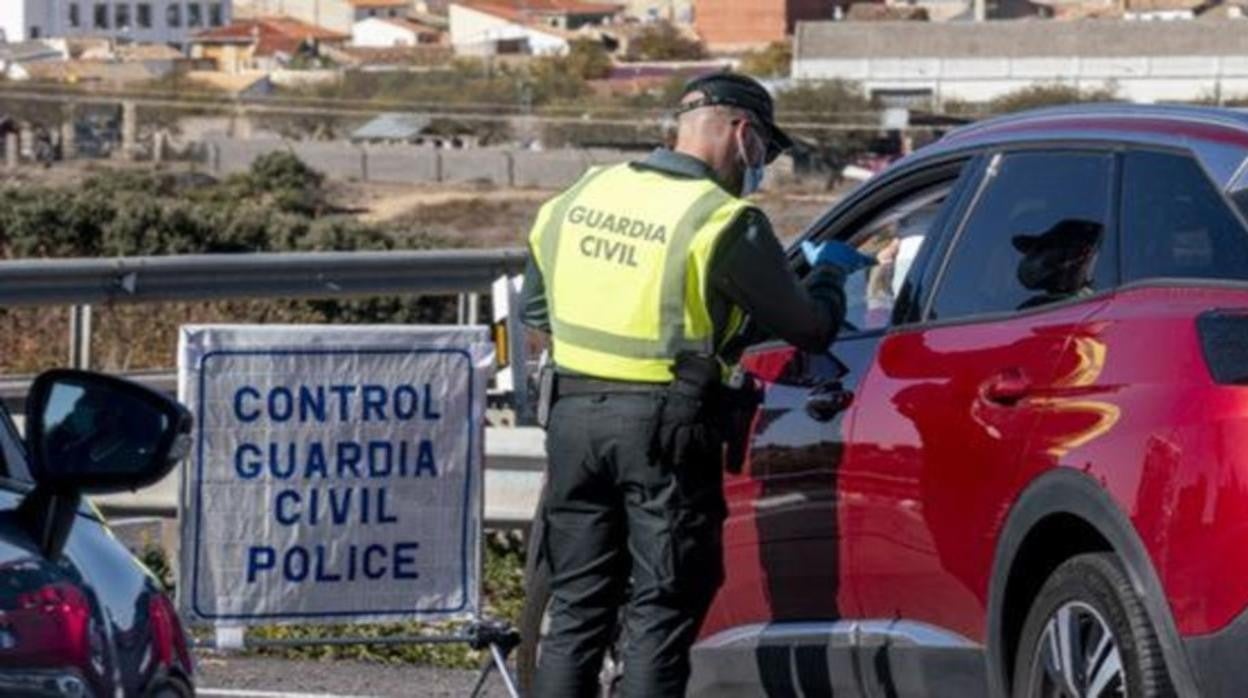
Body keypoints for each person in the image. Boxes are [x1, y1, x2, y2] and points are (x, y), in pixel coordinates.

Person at [520, 71, 871, 698]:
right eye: (765, 148)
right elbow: (810, 329)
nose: (761, 164)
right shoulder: (724, 219)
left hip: (571, 422)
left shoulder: (579, 195)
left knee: (576, 611)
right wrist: (831, 275)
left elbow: (538, 314)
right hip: (665, 432)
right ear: (743, 133)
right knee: (661, 609)